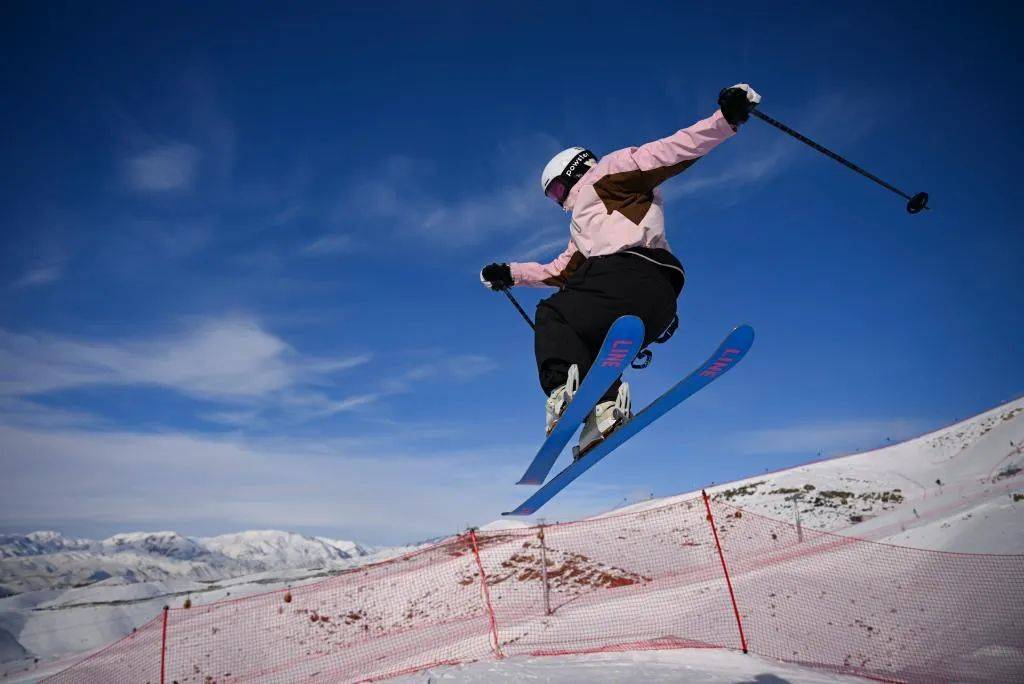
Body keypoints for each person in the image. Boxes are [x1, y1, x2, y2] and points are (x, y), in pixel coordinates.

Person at [481, 84, 761, 454]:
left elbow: (669, 151)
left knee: (552, 315)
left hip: (627, 274)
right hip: (659, 302)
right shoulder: (582, 231)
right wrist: (511, 274)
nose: (557, 201)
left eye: (556, 191)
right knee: (585, 343)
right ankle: (605, 411)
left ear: (573, 172)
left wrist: (724, 119)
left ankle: (564, 391)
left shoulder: (607, 174)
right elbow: (559, 270)